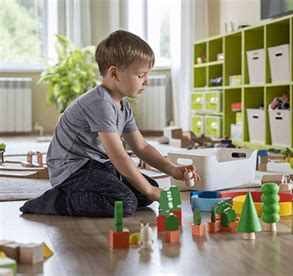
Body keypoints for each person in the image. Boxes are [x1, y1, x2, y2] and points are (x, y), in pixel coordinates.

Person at [20, 30, 200, 217]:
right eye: (141, 75)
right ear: (114, 73)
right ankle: (54, 201)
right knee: (125, 202)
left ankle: (111, 191)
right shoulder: (100, 103)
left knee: (147, 191)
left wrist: (171, 169)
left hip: (99, 165)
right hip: (73, 169)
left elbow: (141, 146)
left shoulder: (123, 104)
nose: (147, 81)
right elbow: (119, 156)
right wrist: (150, 191)